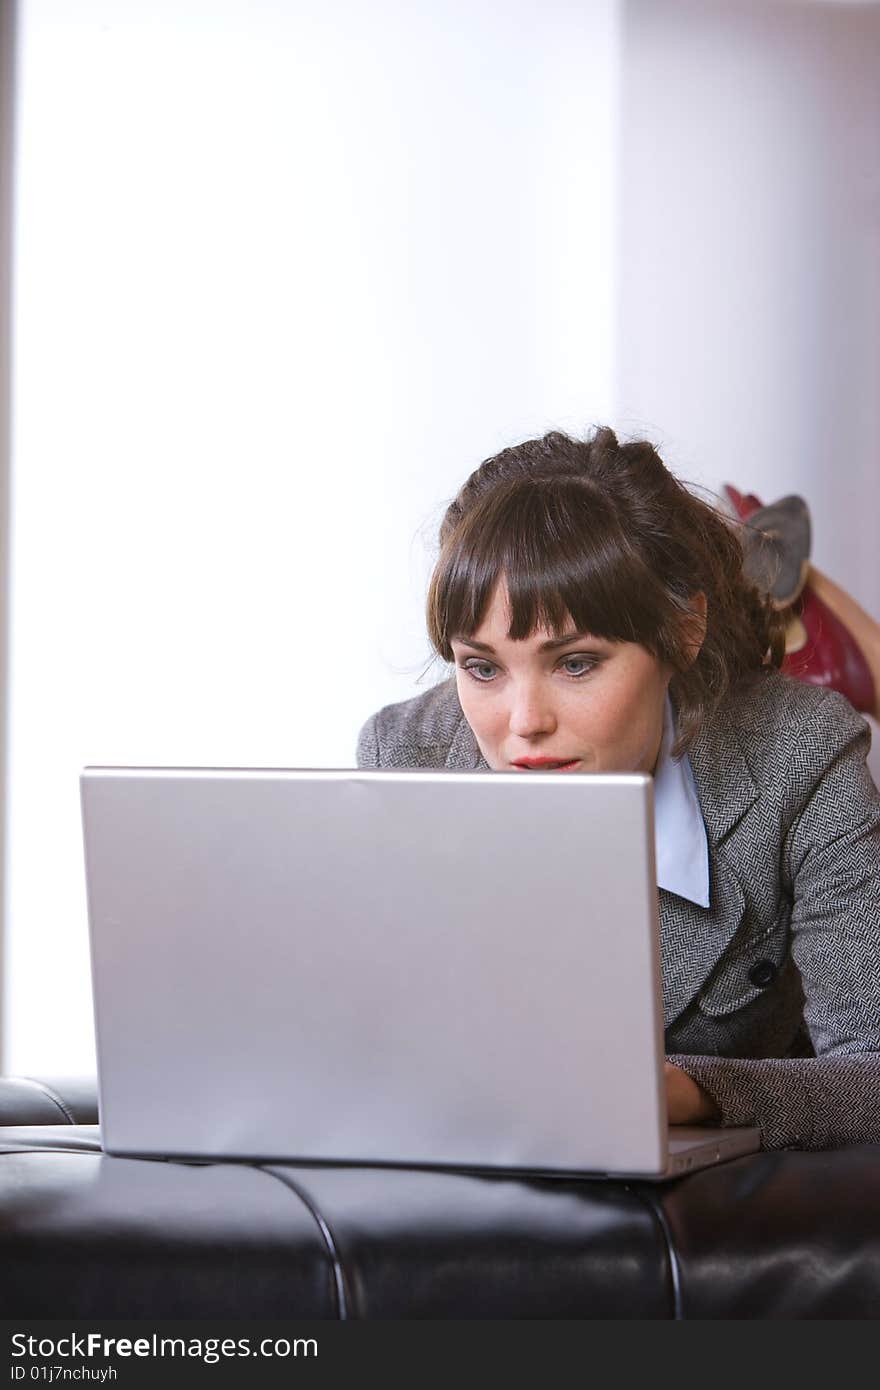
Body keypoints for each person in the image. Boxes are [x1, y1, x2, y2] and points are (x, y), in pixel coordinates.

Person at [357, 427, 880, 1151]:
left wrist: (689, 1091)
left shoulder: (802, 753)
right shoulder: (406, 755)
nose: (525, 724)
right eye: (482, 668)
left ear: (684, 629)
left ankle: (820, 639)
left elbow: (873, 1071)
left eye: (575, 664)